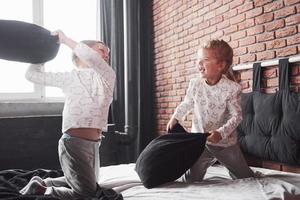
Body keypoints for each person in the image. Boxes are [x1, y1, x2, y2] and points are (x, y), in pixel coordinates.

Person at [20, 30, 116, 199]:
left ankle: (45, 183)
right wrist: (41, 55)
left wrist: (68, 41)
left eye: (108, 53)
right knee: (86, 194)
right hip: (74, 143)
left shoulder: (107, 76)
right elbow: (31, 75)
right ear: (81, 51)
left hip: (94, 145)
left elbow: (93, 60)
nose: (106, 55)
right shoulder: (69, 77)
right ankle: (44, 191)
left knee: (90, 184)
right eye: (102, 49)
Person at [166, 39, 254, 183]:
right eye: (198, 60)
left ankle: (246, 173)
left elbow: (236, 116)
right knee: (191, 179)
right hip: (200, 142)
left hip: (225, 144)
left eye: (205, 60)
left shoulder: (231, 88)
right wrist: (176, 116)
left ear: (221, 65)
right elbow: (187, 103)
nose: (199, 64)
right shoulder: (195, 84)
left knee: (245, 178)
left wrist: (221, 133)